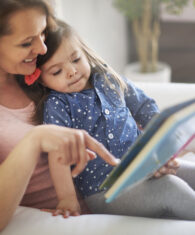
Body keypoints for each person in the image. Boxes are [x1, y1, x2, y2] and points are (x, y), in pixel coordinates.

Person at [23, 20, 195, 221]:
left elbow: (145, 107)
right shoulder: (58, 105)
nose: (71, 71)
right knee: (170, 189)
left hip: (144, 168)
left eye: (76, 59)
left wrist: (162, 143)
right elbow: (59, 156)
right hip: (105, 191)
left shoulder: (108, 79)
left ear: (85, 53)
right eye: (57, 71)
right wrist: (68, 198)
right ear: (42, 79)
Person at [0, 1, 120, 231]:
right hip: (72, 220)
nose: (43, 48)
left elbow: (106, 102)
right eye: (27, 42)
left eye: (42, 32)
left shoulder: (37, 69)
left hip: (112, 189)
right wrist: (35, 139)